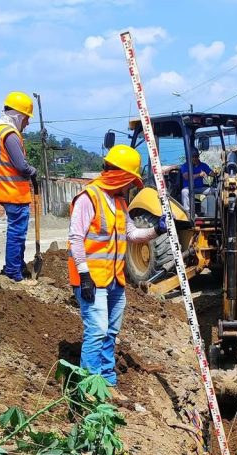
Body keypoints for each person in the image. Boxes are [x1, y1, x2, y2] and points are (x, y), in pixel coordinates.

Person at [67, 144, 166, 387]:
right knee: (97, 331)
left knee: (111, 331)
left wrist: (157, 230)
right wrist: (84, 275)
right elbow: (76, 238)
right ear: (121, 175)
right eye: (131, 181)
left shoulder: (120, 202)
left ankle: (107, 380)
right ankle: (90, 386)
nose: (131, 187)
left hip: (114, 280)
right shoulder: (89, 198)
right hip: (91, 280)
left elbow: (131, 234)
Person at [0, 91, 37, 282]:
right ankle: (14, 272)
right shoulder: (9, 134)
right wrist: (33, 171)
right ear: (19, 116)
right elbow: (21, 166)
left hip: (2, 189)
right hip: (13, 192)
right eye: (26, 119)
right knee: (17, 233)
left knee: (16, 231)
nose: (27, 124)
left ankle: (17, 266)